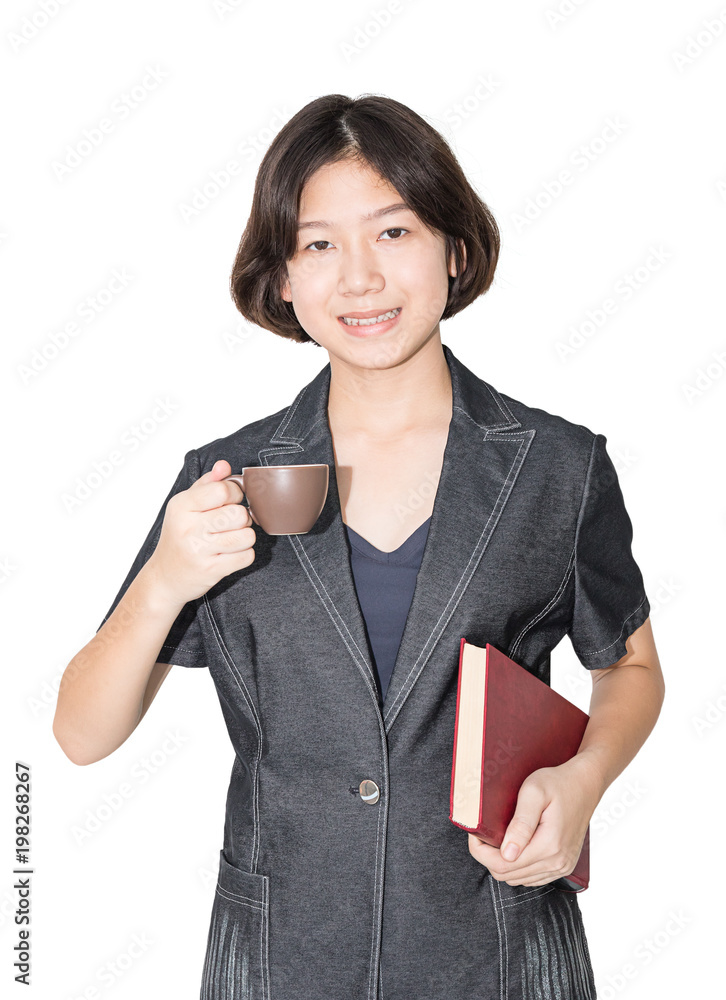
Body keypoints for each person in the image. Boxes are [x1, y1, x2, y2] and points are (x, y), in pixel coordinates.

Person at [53, 94, 665, 1000]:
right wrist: (163, 582)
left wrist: (584, 782)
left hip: (499, 949)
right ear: (283, 279)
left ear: (454, 250)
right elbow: (80, 734)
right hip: (282, 958)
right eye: (318, 245)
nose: (360, 279)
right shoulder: (226, 480)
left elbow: (631, 668)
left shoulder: (557, 469)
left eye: (393, 232)